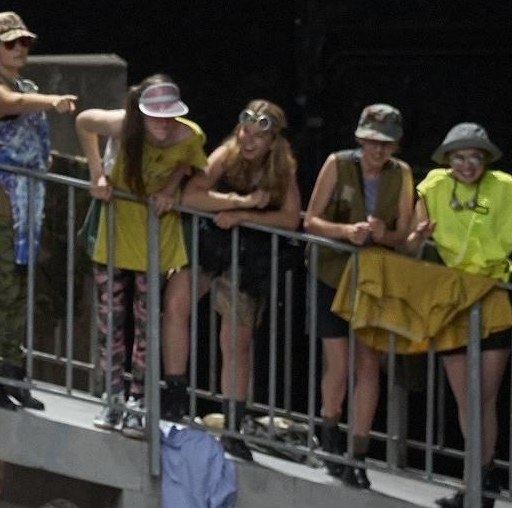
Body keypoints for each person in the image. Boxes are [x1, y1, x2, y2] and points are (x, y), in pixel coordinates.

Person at [413, 123, 512, 508]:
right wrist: (417, 236)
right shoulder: (432, 186)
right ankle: (479, 479)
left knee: (484, 398)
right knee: (466, 400)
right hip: (451, 298)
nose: (467, 165)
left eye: (474, 158)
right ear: (448, 160)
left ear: (484, 160)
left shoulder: (505, 186)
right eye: (459, 157)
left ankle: (482, 481)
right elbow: (410, 240)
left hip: (490, 296)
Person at [78, 76, 209, 424]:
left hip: (154, 235)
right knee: (111, 318)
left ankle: (138, 398)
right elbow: (84, 121)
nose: (163, 123)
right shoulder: (124, 126)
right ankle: (113, 395)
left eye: (169, 115)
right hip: (117, 228)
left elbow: (188, 164)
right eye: (156, 115)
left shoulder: (189, 135)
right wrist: (97, 174)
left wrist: (169, 188)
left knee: (147, 319)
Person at [0, 12, 76, 409]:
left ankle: (11, 371)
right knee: (2, 288)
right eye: (10, 43)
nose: (19, 49)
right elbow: (15, 104)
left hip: (25, 202)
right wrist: (53, 101)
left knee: (18, 288)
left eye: (24, 42)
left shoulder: (22, 83)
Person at [301, 104, 415, 483]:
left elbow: (404, 234)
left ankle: (359, 451)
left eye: (385, 144)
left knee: (369, 364)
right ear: (360, 139)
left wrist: (385, 234)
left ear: (395, 146)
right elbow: (310, 220)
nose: (377, 151)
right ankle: (329, 429)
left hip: (372, 278)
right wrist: (346, 232)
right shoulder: (338, 164)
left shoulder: (401, 175)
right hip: (332, 271)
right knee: (338, 360)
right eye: (371, 142)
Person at [188, 101, 303, 440]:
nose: (248, 141)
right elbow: (192, 195)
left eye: (258, 136)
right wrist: (237, 203)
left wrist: (245, 217)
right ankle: (159, 394)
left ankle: (233, 423)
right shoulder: (226, 154)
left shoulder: (282, 167)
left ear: (272, 141)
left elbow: (290, 219)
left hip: (247, 257)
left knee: (236, 341)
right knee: (173, 307)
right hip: (208, 245)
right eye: (245, 132)